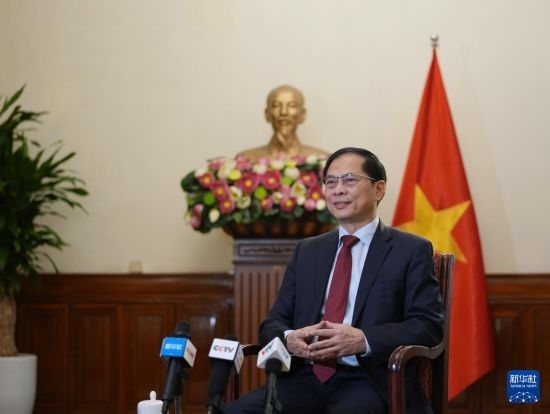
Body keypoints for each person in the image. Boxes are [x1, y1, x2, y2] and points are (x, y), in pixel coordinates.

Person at [227, 147, 444, 414]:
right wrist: (290, 337)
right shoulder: (308, 250)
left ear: (379, 189)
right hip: (304, 378)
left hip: (369, 381)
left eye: (350, 180)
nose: (338, 190)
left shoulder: (410, 250)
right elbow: (273, 322)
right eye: (330, 182)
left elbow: (428, 326)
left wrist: (364, 339)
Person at [237, 85, 330, 161]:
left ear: (303, 114)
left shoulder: (322, 160)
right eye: (276, 105)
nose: (283, 112)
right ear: (267, 114)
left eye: (292, 105)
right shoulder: (246, 159)